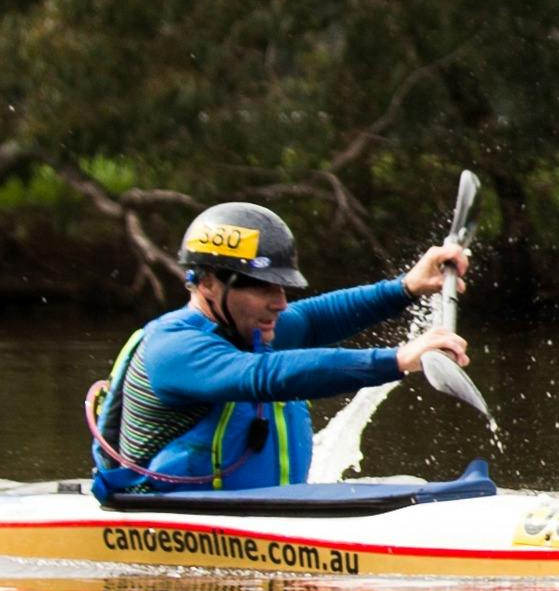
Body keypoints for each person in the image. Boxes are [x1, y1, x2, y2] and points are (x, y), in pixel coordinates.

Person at [83, 202, 476, 494]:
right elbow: (264, 376)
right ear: (207, 283)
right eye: (261, 287)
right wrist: (399, 359)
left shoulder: (248, 328)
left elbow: (316, 318)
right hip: (167, 527)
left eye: (283, 287)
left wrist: (406, 287)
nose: (280, 302)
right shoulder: (174, 349)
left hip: (261, 515)